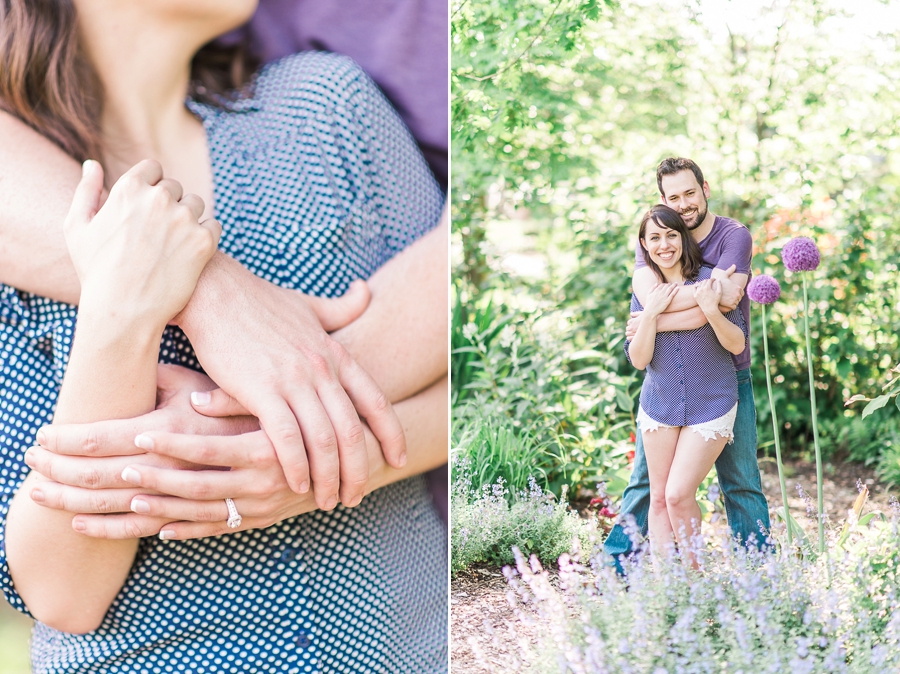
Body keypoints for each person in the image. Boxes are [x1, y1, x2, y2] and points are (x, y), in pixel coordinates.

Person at [0, 1, 447, 671]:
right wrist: (124, 314)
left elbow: (464, 377)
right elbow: (64, 594)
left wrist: (302, 450)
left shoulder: (325, 107)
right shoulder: (20, 228)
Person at [604, 157, 771, 571]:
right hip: (666, 386)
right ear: (663, 199)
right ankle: (619, 567)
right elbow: (648, 291)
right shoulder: (659, 235)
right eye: (673, 197)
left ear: (705, 189)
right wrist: (693, 299)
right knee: (648, 486)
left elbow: (727, 300)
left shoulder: (733, 236)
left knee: (742, 483)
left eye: (690, 193)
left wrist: (653, 317)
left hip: (728, 376)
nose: (683, 203)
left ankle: (761, 577)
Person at [625, 205, 748, 566]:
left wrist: (710, 310)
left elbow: (737, 344)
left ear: (683, 237)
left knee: (678, 494)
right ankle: (669, 594)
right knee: (660, 499)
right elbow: (638, 358)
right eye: (655, 238)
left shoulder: (710, 279)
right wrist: (650, 314)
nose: (664, 245)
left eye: (671, 235)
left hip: (712, 401)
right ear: (645, 246)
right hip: (660, 403)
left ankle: (694, 585)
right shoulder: (647, 291)